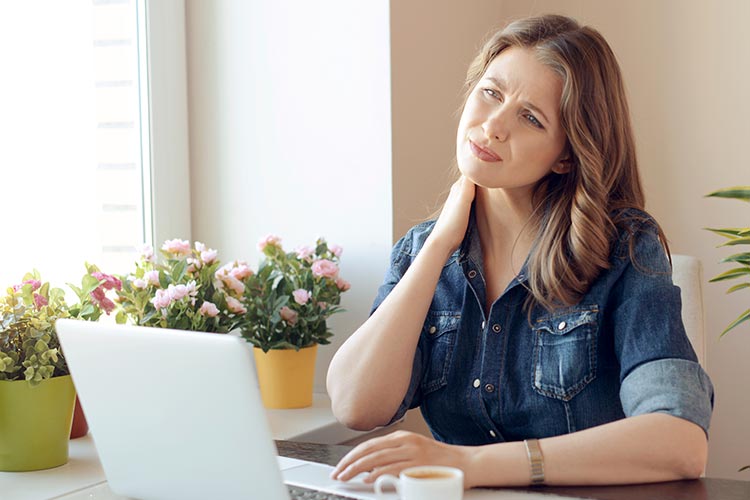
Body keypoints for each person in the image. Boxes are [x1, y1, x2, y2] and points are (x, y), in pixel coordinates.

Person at [326, 14, 714, 489]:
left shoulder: (624, 249)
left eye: (530, 117)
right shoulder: (421, 250)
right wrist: (438, 246)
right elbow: (355, 405)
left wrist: (469, 465)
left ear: (567, 154)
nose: (492, 126)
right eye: (490, 93)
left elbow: (681, 443)